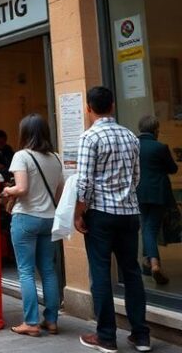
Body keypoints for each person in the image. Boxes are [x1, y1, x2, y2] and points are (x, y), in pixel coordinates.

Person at [74, 86, 150, 353]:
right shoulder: (131, 136)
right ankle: (141, 335)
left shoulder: (89, 137)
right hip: (129, 213)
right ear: (113, 105)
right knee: (132, 273)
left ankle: (106, 337)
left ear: (88, 108)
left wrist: (79, 213)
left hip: (101, 215)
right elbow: (137, 177)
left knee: (101, 273)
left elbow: (84, 182)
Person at [1, 114, 64, 337]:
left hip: (26, 218)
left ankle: (31, 322)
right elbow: (59, 192)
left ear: (25, 133)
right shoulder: (56, 158)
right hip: (49, 219)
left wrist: (8, 191)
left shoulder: (22, 156)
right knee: (48, 270)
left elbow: (22, 188)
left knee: (26, 271)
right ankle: (52, 320)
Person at [137, 114, 178, 286]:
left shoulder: (134, 146)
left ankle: (148, 264)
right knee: (150, 229)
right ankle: (154, 264)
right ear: (156, 129)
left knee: (146, 227)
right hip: (158, 194)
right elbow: (173, 168)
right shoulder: (160, 147)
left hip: (138, 193)